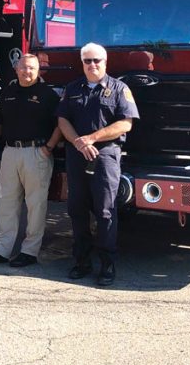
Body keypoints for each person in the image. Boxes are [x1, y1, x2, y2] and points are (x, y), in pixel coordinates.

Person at [57, 43, 139, 286]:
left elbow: (126, 124)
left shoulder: (118, 89)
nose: (92, 65)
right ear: (82, 62)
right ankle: (81, 262)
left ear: (105, 62)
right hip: (76, 155)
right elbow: (62, 120)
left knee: (105, 211)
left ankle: (107, 265)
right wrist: (79, 143)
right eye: (87, 61)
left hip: (105, 157)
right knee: (77, 209)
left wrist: (92, 138)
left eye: (96, 61)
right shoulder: (72, 89)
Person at [0, 53, 62, 268]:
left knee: (36, 204)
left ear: (38, 71)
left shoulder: (48, 95)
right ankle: (2, 250)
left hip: (37, 153)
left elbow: (60, 123)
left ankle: (29, 251)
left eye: (32, 69)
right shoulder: (8, 92)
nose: (28, 72)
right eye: (24, 68)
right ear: (16, 69)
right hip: (10, 152)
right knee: (6, 202)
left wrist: (49, 147)